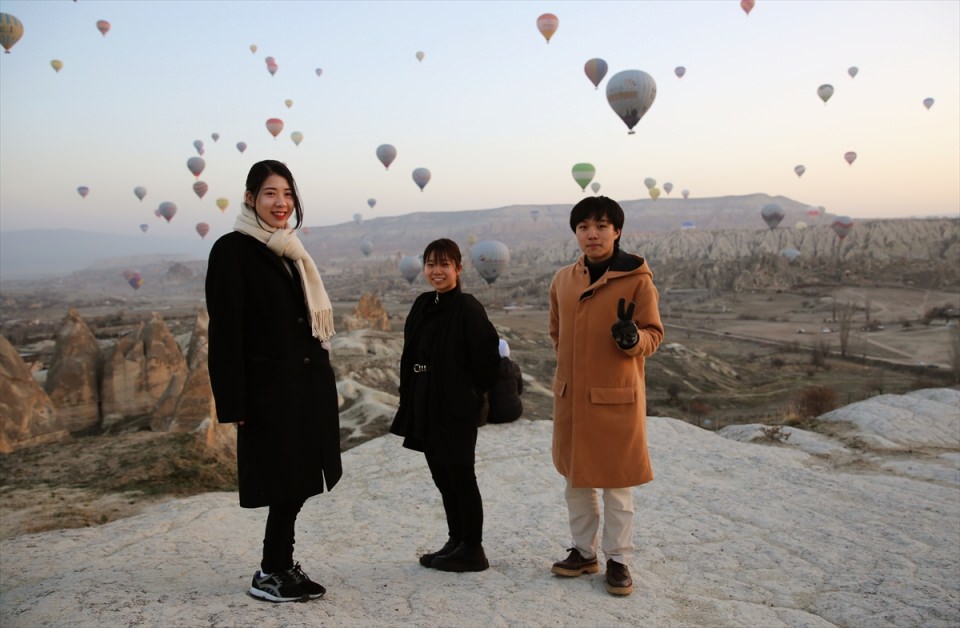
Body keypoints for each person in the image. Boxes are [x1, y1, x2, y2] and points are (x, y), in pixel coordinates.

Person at [205, 160, 342, 603]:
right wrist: (235, 404)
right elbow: (226, 332)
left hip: (303, 385)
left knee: (300, 477)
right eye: (269, 193)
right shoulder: (233, 250)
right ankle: (271, 569)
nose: (281, 202)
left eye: (287, 193)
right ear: (249, 198)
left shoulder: (288, 249)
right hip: (269, 391)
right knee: (286, 479)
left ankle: (280, 564)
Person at [547, 196, 664, 597]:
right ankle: (583, 552)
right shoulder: (563, 279)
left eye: (600, 225)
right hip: (571, 399)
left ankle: (618, 560)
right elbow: (556, 333)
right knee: (576, 481)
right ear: (576, 233)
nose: (591, 234)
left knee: (617, 485)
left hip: (616, 399)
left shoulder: (637, 280)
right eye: (583, 227)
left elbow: (654, 335)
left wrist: (633, 339)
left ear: (617, 231)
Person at [390, 238, 501, 573]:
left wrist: (469, 395)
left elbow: (487, 360)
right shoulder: (423, 304)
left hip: (455, 406)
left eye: (444, 265)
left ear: (459, 268)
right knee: (442, 475)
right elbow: (411, 355)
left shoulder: (468, 307)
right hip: (425, 401)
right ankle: (456, 540)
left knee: (461, 475)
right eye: (431, 264)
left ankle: (473, 549)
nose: (436, 271)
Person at [486, 338, 523, 424]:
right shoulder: (515, 367)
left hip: (493, 415)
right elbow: (520, 391)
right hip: (515, 412)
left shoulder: (487, 369)